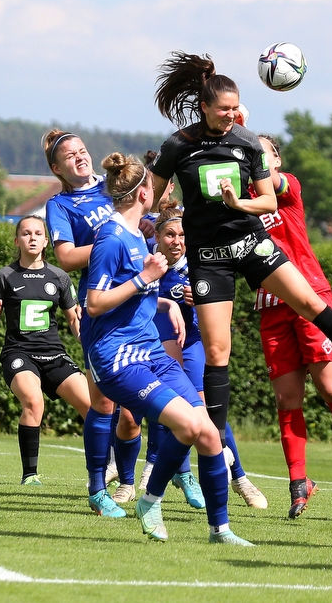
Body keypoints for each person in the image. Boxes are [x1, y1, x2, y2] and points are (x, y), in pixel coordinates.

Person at [149, 52, 332, 462]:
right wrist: (150, 212)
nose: (231, 115)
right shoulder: (178, 146)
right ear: (203, 107)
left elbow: (270, 199)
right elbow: (155, 194)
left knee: (311, 301)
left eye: (236, 108)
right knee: (219, 351)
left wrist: (239, 204)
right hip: (210, 256)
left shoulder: (246, 143)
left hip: (250, 242)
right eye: (224, 109)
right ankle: (215, 445)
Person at [85, 151, 250, 545]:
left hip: (151, 351)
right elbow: (94, 302)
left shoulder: (136, 238)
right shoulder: (110, 237)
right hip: (118, 357)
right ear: (145, 191)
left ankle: (220, 530)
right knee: (190, 426)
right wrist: (145, 280)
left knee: (208, 433)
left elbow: (134, 295)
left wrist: (165, 301)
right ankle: (150, 498)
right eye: (156, 183)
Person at [252, 134, 332, 518]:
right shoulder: (239, 202)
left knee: (329, 386)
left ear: (276, 159)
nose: (254, 158)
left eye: (261, 152)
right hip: (270, 306)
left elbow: (273, 182)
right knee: (287, 400)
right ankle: (298, 482)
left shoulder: (287, 187)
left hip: (310, 297)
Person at [143, 200, 268, 509]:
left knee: (206, 408)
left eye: (183, 235)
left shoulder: (199, 265)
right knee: (162, 407)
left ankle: (239, 477)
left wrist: (200, 299)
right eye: (170, 235)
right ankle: (170, 474)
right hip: (155, 345)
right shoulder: (146, 263)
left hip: (193, 342)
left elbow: (223, 306)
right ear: (157, 236)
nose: (177, 242)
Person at [43, 129, 132, 517]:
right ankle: (98, 489)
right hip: (98, 305)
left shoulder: (114, 184)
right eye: (70, 156)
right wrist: (111, 239)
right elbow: (64, 258)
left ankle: (131, 483)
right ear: (56, 167)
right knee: (105, 401)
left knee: (137, 406)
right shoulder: (59, 205)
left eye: (82, 151)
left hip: (139, 296)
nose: (80, 158)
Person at [0, 215, 91, 486]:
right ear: (17, 240)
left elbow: (72, 319)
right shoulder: (4, 276)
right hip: (19, 354)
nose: (32, 238)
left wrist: (87, 341)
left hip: (54, 354)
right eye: (26, 233)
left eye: (37, 233)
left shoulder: (60, 277)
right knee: (34, 402)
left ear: (46, 241)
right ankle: (30, 475)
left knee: (94, 406)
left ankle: (101, 472)